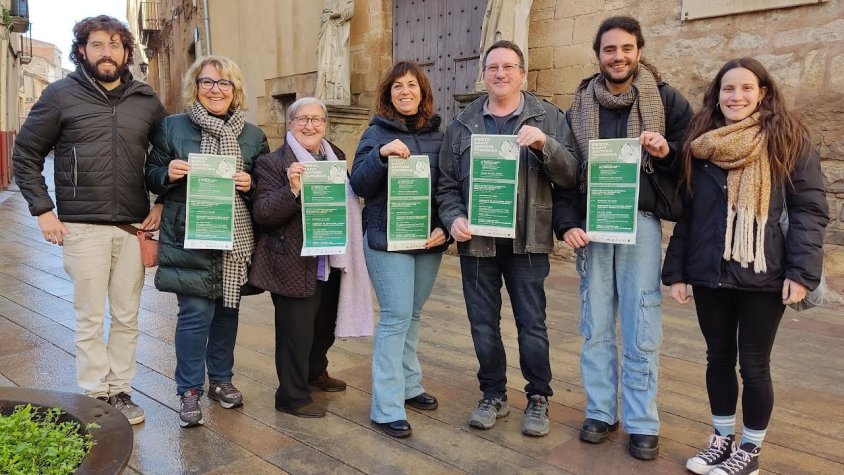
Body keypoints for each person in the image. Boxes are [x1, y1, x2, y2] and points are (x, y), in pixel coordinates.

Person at [663, 58, 828, 475]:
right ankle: (721, 439)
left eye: (746, 89)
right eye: (727, 89)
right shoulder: (701, 143)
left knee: (753, 365)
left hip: (764, 271)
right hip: (709, 271)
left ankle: (750, 450)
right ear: (716, 95)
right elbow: (690, 213)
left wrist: (801, 272)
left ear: (763, 93)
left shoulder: (788, 140)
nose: (736, 97)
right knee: (717, 358)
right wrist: (678, 271)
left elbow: (809, 210)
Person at [12, 15, 165, 425]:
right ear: (82, 50)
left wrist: (162, 202)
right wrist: (43, 210)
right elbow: (25, 154)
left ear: (127, 52)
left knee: (128, 316)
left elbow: (166, 156)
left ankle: (121, 390)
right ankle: (95, 394)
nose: (107, 52)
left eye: (115, 45)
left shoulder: (146, 100)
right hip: (81, 226)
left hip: (133, 227)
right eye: (97, 44)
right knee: (90, 317)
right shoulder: (61, 95)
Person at [552, 15, 694, 460]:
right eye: (610, 49)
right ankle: (599, 410)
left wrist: (667, 151)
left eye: (627, 48)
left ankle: (641, 420)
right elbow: (566, 175)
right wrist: (567, 223)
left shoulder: (667, 101)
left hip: (641, 223)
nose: (619, 56)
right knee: (594, 322)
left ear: (639, 51)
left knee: (641, 320)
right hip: (592, 226)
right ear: (598, 55)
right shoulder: (577, 105)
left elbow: (693, 162)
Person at [436, 40, 579, 437]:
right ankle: (493, 394)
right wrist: (453, 218)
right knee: (483, 324)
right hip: (477, 242)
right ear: (483, 74)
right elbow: (446, 186)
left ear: (522, 73)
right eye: (493, 67)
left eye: (509, 67)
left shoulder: (548, 117)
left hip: (528, 240)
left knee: (532, 323)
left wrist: (544, 144)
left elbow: (571, 176)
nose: (500, 74)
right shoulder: (462, 123)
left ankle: (538, 398)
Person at [145, 56, 269, 427]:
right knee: (196, 314)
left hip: (235, 239)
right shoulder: (172, 127)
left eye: (224, 83)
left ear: (235, 90)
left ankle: (221, 380)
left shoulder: (252, 135)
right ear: (195, 87)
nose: (216, 89)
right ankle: (189, 390)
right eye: (208, 82)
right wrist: (166, 172)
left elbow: (265, 186)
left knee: (227, 311)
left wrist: (252, 184)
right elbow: (150, 174)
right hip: (191, 234)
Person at [250, 97, 372, 419]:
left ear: (325, 124)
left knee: (325, 326)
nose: (310, 125)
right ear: (290, 124)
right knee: (296, 333)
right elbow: (263, 214)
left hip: (332, 259)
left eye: (317, 119)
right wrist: (292, 190)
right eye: (302, 119)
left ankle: (315, 372)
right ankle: (291, 395)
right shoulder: (272, 163)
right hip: (292, 262)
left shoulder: (336, 158)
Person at [350, 61, 448, 438]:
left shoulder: (441, 135)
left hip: (428, 240)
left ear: (423, 91)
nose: (405, 91)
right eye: (397, 87)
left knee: (415, 314)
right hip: (386, 240)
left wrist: (445, 230)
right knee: (395, 317)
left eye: (412, 85)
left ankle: (410, 385)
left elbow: (448, 189)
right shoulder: (376, 132)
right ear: (388, 94)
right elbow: (358, 185)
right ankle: (386, 406)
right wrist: (379, 156)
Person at [316, 0, 354, 105]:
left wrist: (338, 14)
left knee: (337, 61)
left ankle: (338, 93)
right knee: (325, 59)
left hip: (337, 30)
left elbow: (350, 10)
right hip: (326, 27)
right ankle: (324, 92)